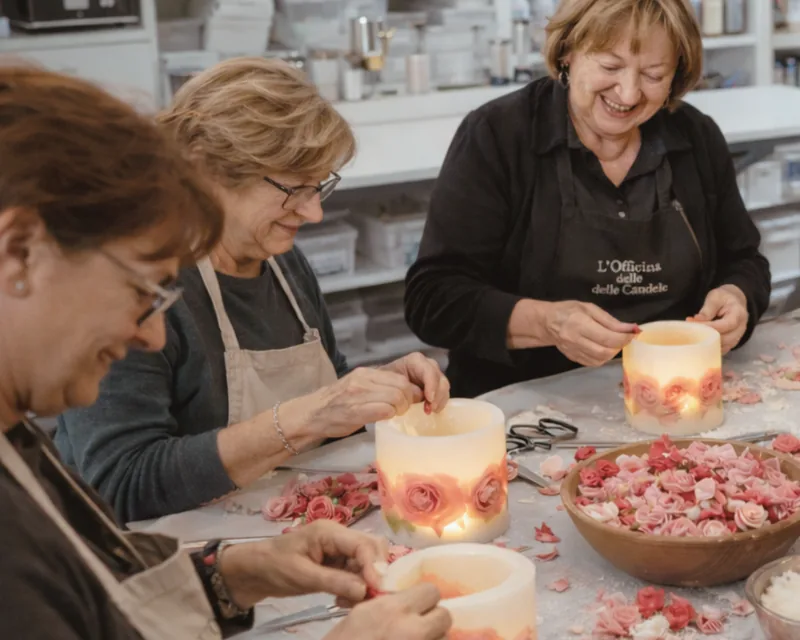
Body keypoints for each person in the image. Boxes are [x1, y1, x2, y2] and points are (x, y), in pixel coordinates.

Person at [0, 65, 451, 640]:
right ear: (19, 253)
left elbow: (99, 588)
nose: (152, 336)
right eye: (140, 293)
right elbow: (119, 489)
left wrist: (232, 575)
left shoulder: (18, 441)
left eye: (318, 187)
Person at [55, 57, 449, 523]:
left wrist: (375, 391)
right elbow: (120, 484)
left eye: (318, 187)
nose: (314, 213)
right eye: (292, 189)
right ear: (204, 168)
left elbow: (324, 385)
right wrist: (304, 419)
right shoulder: (132, 284)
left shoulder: (280, 260)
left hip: (274, 525)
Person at [404, 0, 770, 398]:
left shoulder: (696, 136)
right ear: (568, 52)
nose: (628, 93)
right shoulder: (498, 135)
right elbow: (433, 299)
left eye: (653, 75)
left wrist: (738, 297)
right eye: (610, 66)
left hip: (672, 393)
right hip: (526, 403)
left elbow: (745, 261)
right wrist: (546, 322)